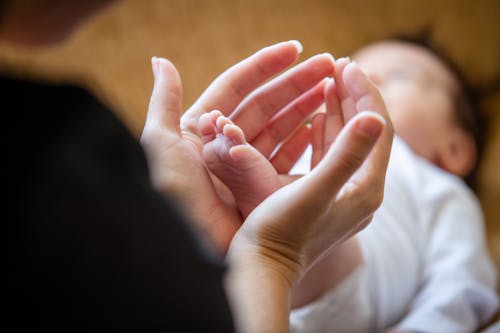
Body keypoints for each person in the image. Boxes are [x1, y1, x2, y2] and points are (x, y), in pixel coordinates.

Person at [3, 1, 393, 332]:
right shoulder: (57, 165)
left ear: (454, 146)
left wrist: (183, 227)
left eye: (402, 79)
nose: (374, 79)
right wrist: (275, 255)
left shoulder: (435, 185)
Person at [200, 39, 499, 332]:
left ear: (455, 150)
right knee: (294, 207)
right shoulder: (308, 147)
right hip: (259, 292)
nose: (367, 80)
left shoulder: (443, 189)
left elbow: (461, 280)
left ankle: (271, 203)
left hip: (361, 281)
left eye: (398, 77)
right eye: (355, 72)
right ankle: (265, 199)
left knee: (325, 236)